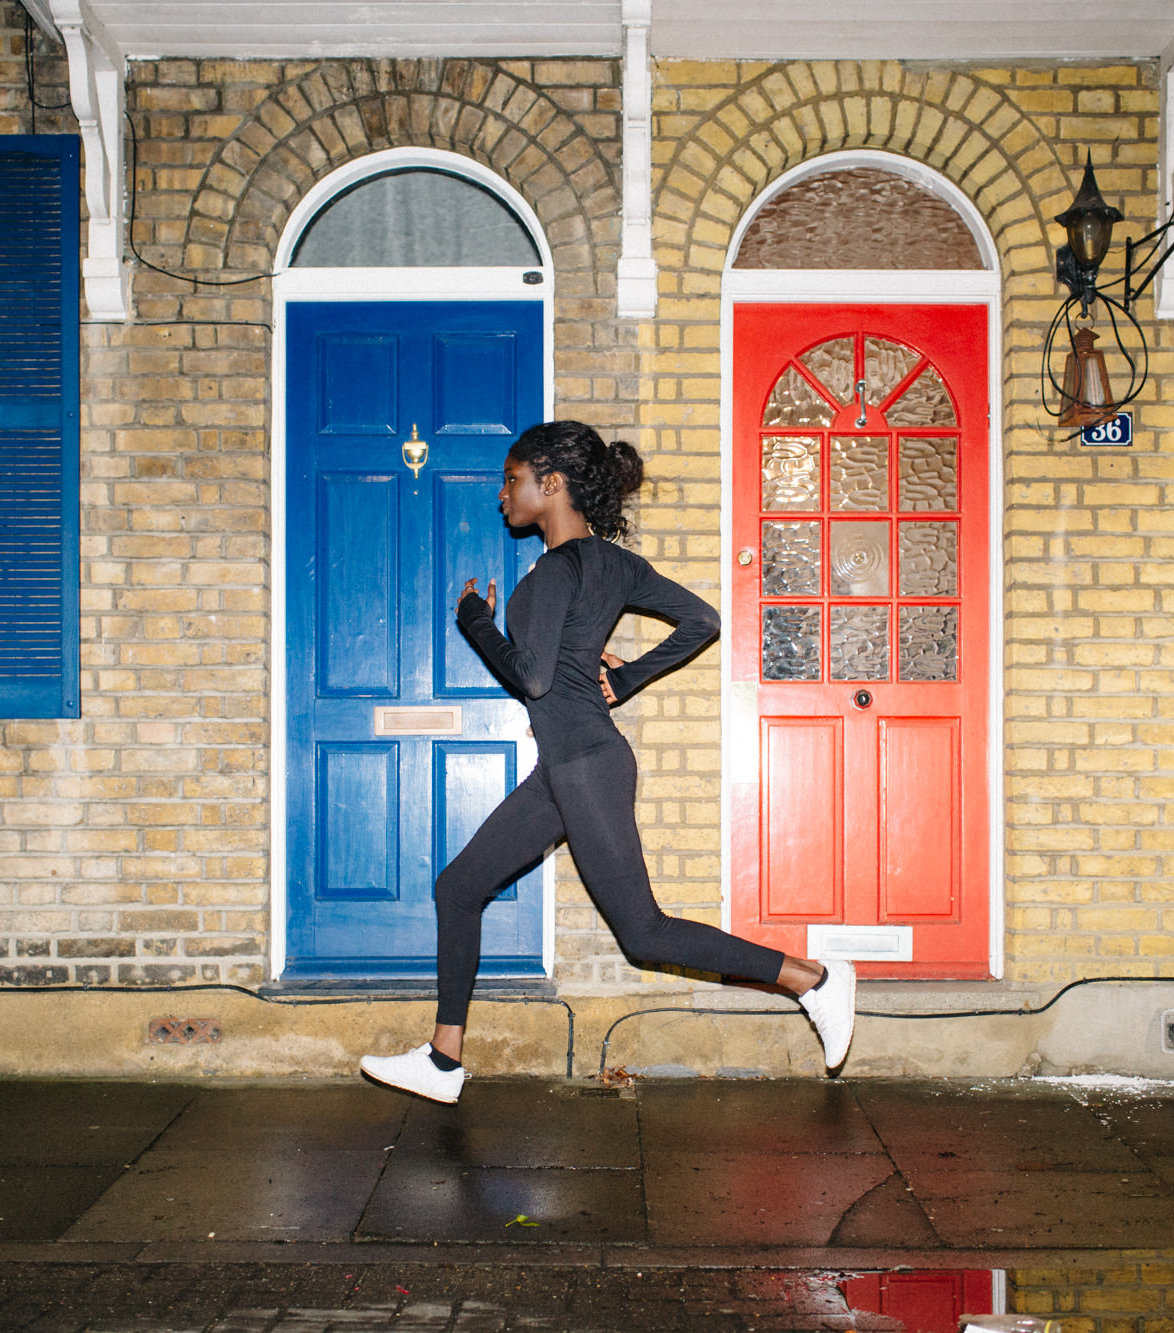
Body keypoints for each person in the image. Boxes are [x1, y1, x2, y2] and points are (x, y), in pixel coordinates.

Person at [359, 420, 855, 1103]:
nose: (503, 494)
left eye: (512, 478)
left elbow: (532, 680)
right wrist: (625, 676)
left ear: (551, 483)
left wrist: (476, 621)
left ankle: (813, 978)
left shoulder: (553, 572)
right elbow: (701, 620)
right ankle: (444, 1061)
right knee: (459, 886)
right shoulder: (614, 565)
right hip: (572, 764)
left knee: (643, 929)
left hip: (583, 765)